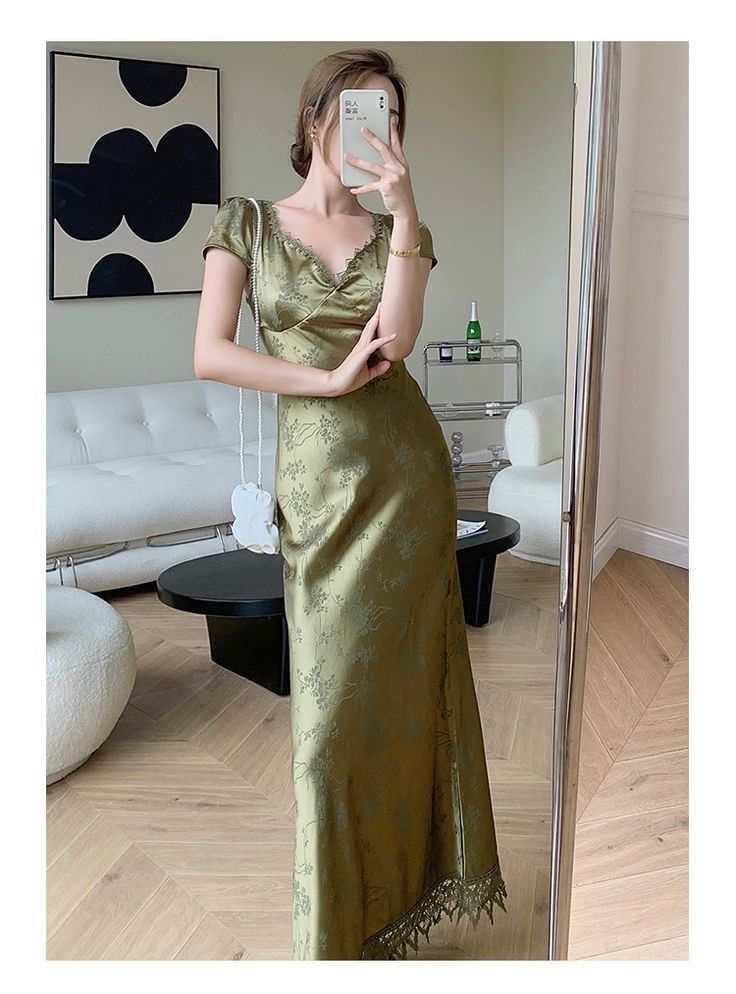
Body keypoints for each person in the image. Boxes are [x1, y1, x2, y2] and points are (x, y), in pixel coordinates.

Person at [194, 47, 508, 961]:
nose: (381, 129)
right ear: (318, 115)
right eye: (365, 109)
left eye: (394, 117)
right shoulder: (248, 222)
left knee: (409, 696)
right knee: (328, 731)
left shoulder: (401, 230)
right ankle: (335, 938)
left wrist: (404, 211)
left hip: (406, 483)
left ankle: (405, 891)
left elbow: (397, 342)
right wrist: (325, 382)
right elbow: (210, 352)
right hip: (321, 491)